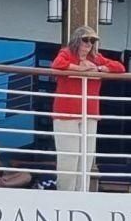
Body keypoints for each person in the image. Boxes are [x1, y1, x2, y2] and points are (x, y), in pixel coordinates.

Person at [50, 25, 125, 192]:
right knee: (69, 158)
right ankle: (65, 195)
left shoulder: (96, 58)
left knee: (86, 157)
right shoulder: (66, 53)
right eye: (86, 40)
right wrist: (80, 69)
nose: (89, 44)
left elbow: (120, 67)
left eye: (93, 41)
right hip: (66, 113)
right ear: (77, 40)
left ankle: (81, 193)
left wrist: (98, 69)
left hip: (90, 114)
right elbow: (57, 64)